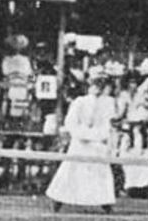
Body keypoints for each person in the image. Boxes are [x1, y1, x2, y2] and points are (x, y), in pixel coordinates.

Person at [46, 70, 119, 213]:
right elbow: (71, 123)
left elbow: (107, 125)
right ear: (89, 86)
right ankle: (57, 202)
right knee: (70, 172)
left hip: (98, 144)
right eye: (95, 84)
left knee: (99, 174)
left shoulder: (109, 103)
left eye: (101, 84)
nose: (98, 87)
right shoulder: (80, 101)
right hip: (80, 143)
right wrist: (84, 134)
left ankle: (105, 204)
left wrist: (99, 137)